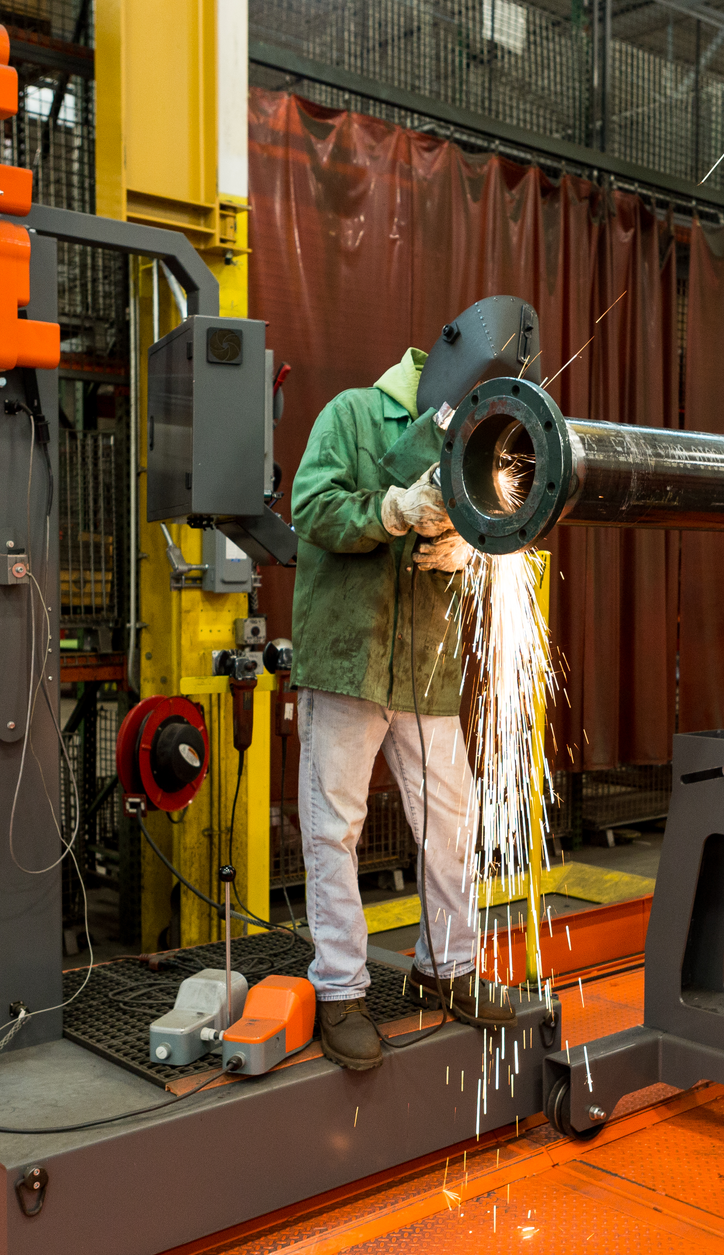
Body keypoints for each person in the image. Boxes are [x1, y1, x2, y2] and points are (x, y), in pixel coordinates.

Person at [288, 344, 509, 1070]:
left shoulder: (469, 438)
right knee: (335, 831)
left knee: (452, 821)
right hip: (349, 663)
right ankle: (341, 990)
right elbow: (311, 506)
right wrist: (393, 508)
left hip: (425, 670)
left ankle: (448, 970)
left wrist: (467, 552)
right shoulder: (351, 415)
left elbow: (498, 528)